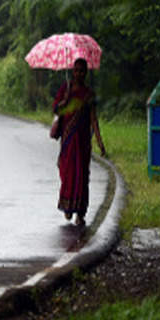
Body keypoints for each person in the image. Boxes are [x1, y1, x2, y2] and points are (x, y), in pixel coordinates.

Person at [51, 58, 107, 227]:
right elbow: (56, 109)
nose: (78, 73)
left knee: (82, 176)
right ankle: (68, 207)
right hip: (68, 141)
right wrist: (65, 99)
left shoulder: (89, 94)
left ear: (86, 72)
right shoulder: (65, 89)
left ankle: (81, 213)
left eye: (82, 70)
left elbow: (93, 119)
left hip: (82, 143)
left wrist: (100, 142)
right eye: (76, 70)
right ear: (73, 71)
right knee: (67, 174)